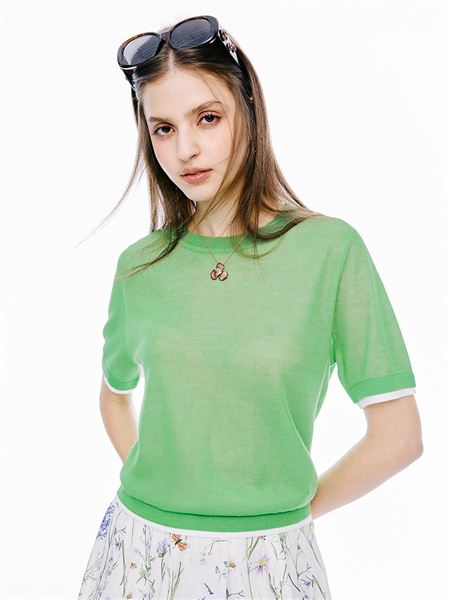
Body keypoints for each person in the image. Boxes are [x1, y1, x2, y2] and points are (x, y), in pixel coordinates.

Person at [77, 14, 423, 600]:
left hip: (270, 560)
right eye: (163, 128)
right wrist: (166, 482)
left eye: (207, 118)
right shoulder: (141, 264)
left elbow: (399, 437)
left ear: (249, 111)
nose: (185, 149)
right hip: (136, 555)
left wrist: (285, 515)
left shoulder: (328, 250)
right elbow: (115, 394)